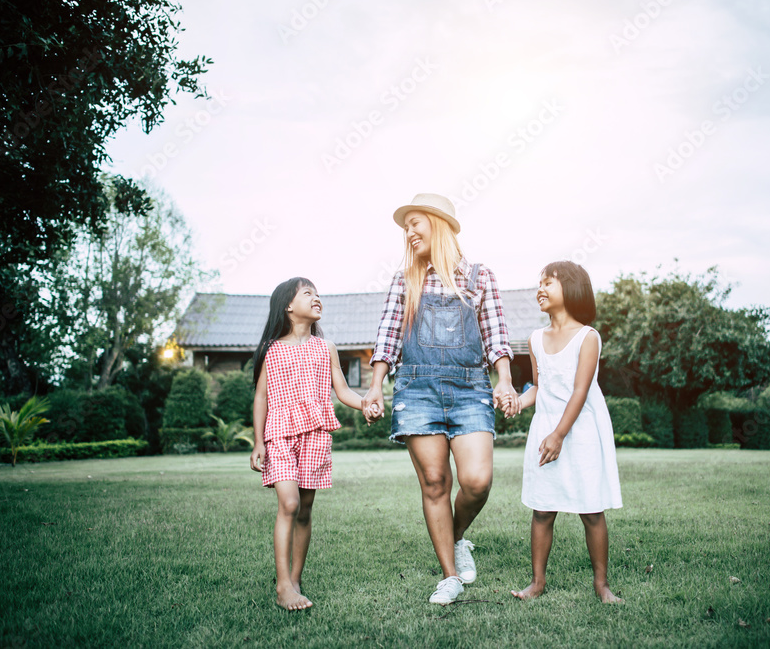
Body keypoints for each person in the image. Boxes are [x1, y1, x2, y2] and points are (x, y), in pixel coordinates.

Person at [362, 193, 519, 605]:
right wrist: (375, 386)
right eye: (405, 227)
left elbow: (496, 336)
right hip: (416, 389)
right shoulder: (405, 280)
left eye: (415, 223)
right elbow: (388, 336)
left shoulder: (480, 277)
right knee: (435, 482)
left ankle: (458, 535)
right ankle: (449, 575)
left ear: (439, 223)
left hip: (470, 389)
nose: (409, 232)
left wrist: (504, 380)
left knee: (477, 481)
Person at [509, 261, 623, 603]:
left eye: (549, 283)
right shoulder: (534, 339)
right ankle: (537, 583)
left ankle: (601, 585)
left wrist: (559, 434)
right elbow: (539, 386)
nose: (540, 289)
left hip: (581, 432)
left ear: (572, 289)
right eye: (539, 284)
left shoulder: (588, 337)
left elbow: (580, 391)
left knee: (591, 510)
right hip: (546, 431)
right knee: (542, 510)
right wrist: (518, 402)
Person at [249, 277, 365, 611]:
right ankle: (282, 585)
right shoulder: (271, 349)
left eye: (317, 293)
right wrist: (258, 441)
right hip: (279, 433)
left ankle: (295, 579)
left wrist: (365, 404)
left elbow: (342, 390)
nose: (316, 298)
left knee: (304, 509)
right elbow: (261, 397)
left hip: (316, 433)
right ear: (288, 305)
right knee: (289, 503)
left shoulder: (325, 348)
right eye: (307, 293)